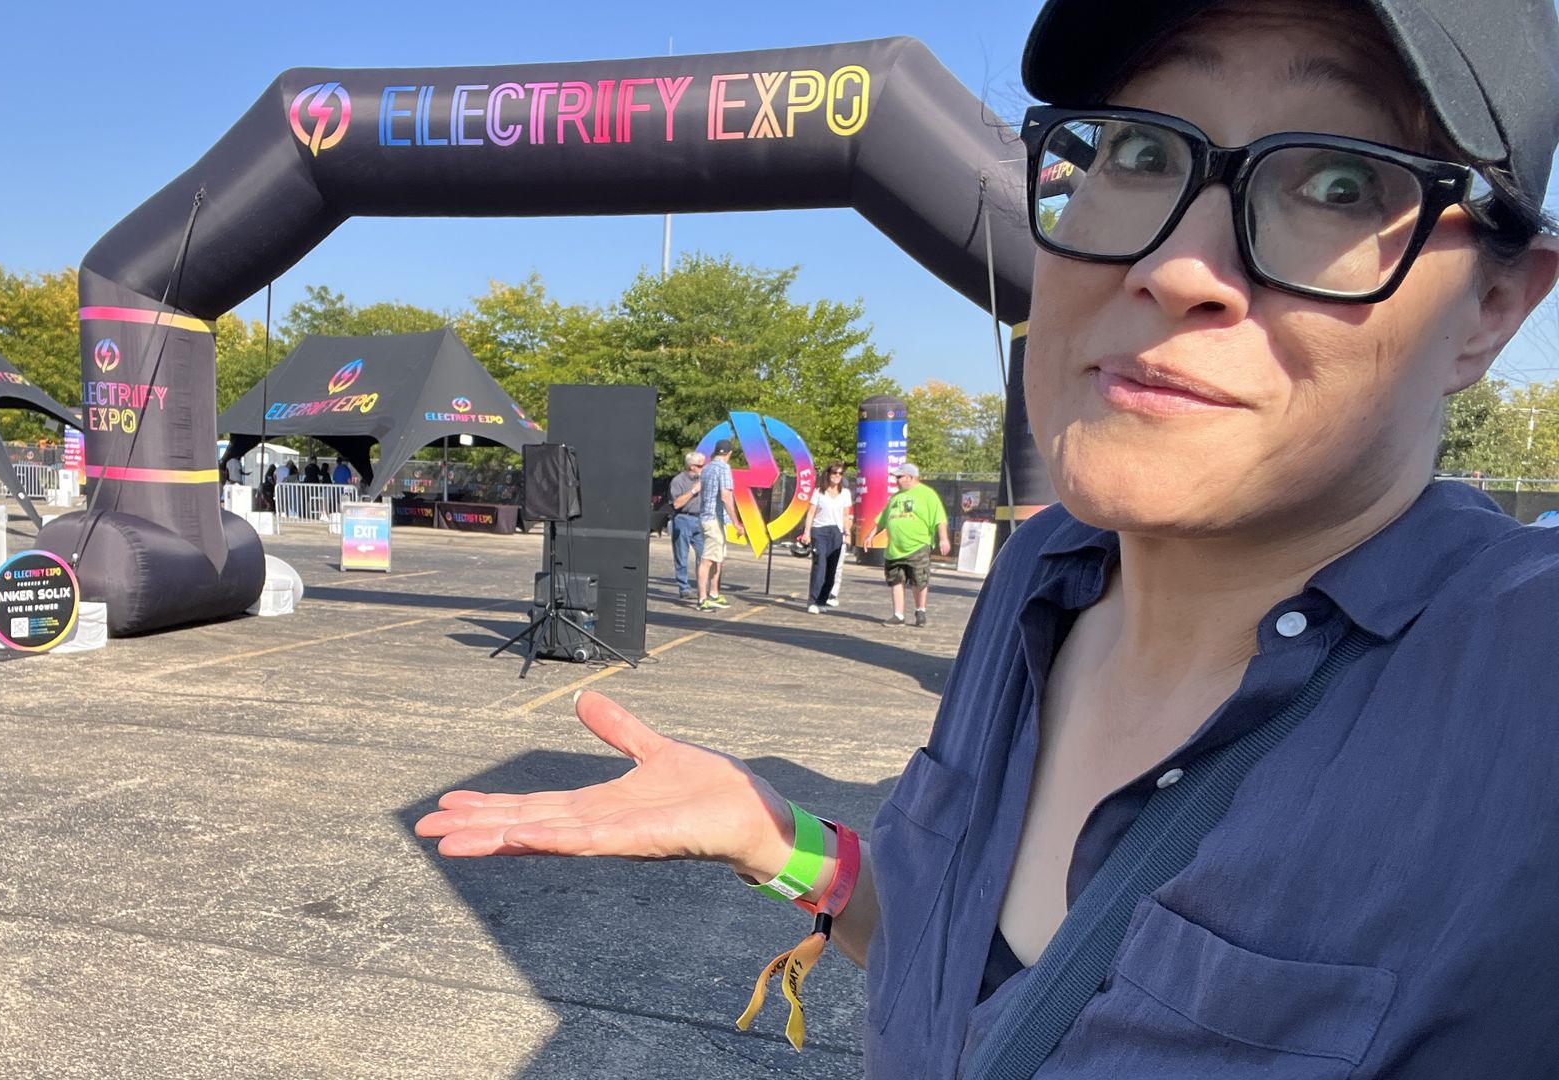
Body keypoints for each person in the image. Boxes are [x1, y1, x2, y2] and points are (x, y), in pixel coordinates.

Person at [415, 1, 1559, 1074]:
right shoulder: (1040, 577)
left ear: (1496, 308)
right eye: (1143, 151)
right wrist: (774, 839)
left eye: (1339, 181)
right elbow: (968, 966)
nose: (1172, 267)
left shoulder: (1519, 684)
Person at [860, 464, 950, 627]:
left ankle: (920, 610)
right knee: (896, 580)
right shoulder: (895, 498)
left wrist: (944, 539)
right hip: (894, 548)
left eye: (900, 477)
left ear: (911, 477)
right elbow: (882, 520)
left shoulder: (927, 494)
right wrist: (870, 535)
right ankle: (898, 615)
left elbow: (939, 519)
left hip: (918, 545)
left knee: (919, 579)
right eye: (896, 477)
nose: (897, 480)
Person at [799, 462, 852, 614]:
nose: (837, 476)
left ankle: (822, 599)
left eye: (840, 474)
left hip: (836, 532)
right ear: (828, 474)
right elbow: (811, 513)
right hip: (820, 531)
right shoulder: (819, 492)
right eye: (834, 473)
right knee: (820, 565)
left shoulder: (845, 493)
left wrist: (847, 533)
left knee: (832, 568)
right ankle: (813, 600)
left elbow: (845, 515)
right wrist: (807, 532)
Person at [694, 439, 738, 611]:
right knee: (707, 560)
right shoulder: (724, 468)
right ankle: (702, 599)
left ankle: (713, 593)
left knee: (718, 558)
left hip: (706, 516)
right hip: (714, 518)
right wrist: (736, 522)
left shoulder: (707, 468)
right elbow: (726, 497)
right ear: (729, 454)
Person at [668, 452, 707, 600]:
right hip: (683, 519)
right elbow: (677, 503)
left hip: (700, 519)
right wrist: (693, 491)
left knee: (703, 555)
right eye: (700, 466)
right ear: (692, 466)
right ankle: (684, 588)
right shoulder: (678, 481)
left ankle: (702, 588)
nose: (702, 468)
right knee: (682, 555)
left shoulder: (703, 479)